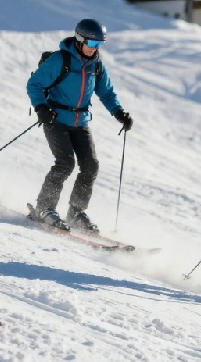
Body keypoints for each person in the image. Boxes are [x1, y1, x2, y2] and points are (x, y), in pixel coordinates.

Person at [26, 19, 132, 233]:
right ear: (79, 40)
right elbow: (34, 84)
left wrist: (119, 113)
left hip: (80, 122)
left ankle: (75, 212)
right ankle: (44, 208)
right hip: (55, 119)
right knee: (65, 162)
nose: (95, 49)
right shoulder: (60, 60)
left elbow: (107, 93)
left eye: (99, 45)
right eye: (92, 44)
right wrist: (41, 108)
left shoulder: (96, 66)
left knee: (91, 165)